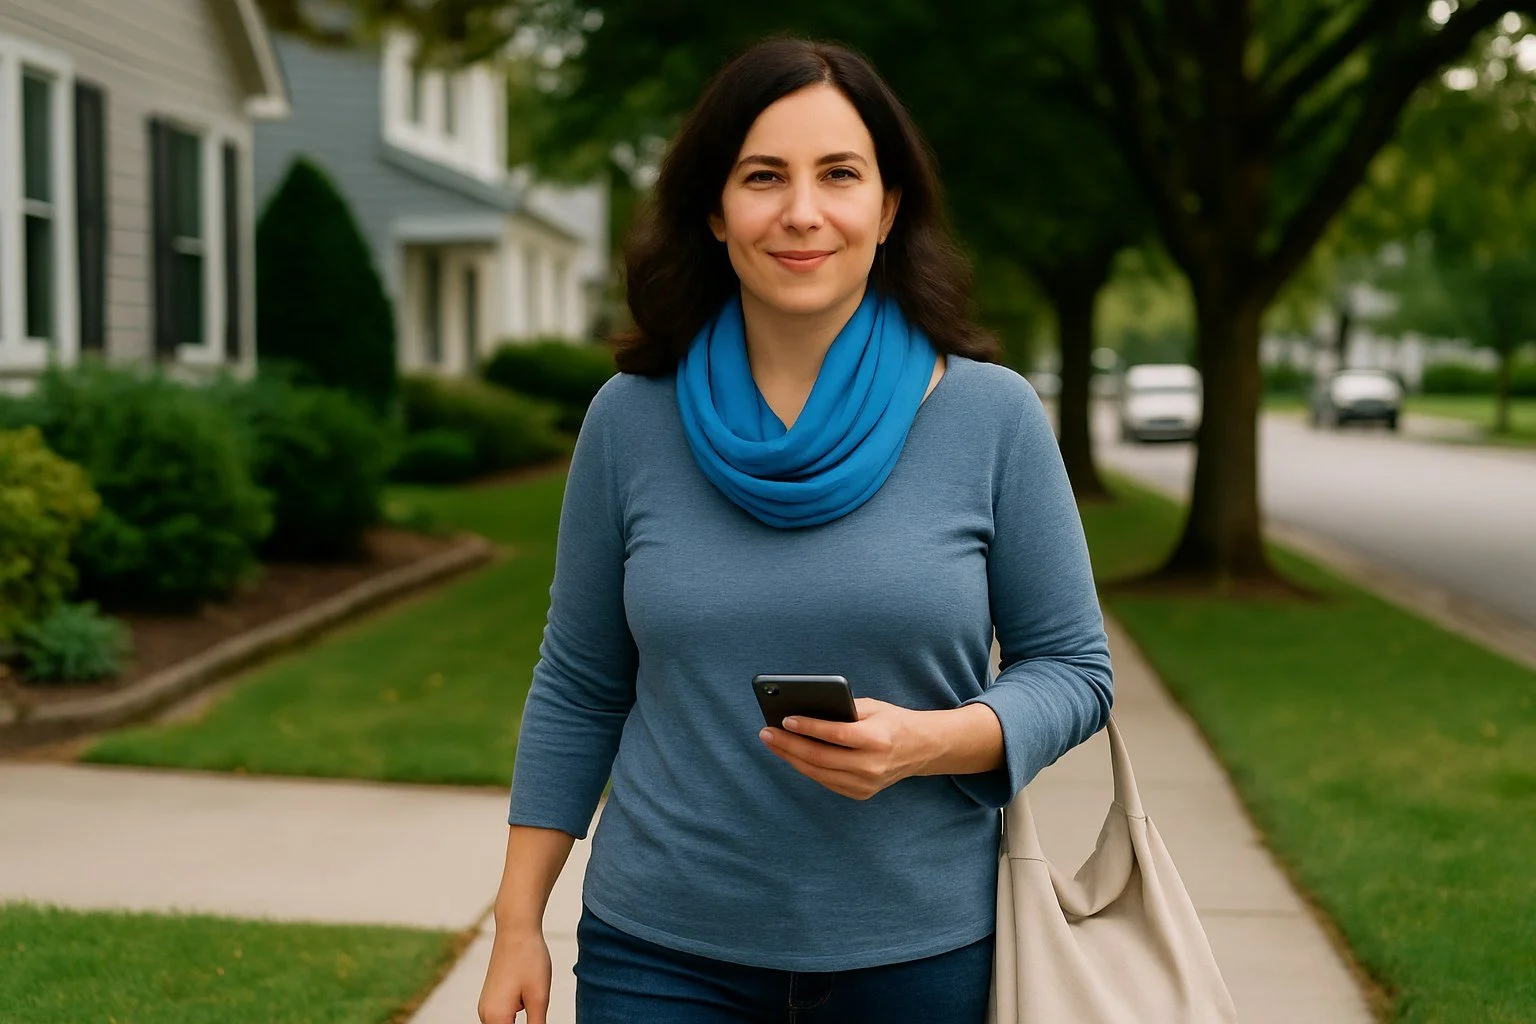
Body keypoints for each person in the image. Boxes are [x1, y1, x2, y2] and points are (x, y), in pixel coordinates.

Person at [478, 36, 1113, 1024]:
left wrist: (929, 741)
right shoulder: (629, 420)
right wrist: (518, 921)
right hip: (658, 958)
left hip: (918, 958)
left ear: (889, 208)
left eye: (840, 175)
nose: (802, 211)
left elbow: (1074, 670)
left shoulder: (992, 416)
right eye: (764, 176)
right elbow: (579, 682)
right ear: (714, 210)